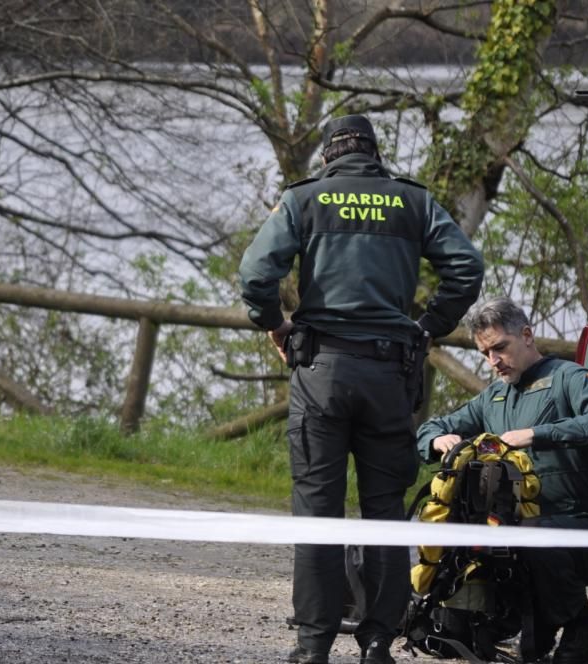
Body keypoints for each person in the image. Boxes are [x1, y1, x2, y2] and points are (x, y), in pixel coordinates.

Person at [239, 114, 484, 664]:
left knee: (318, 512)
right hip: (389, 375)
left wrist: (275, 324)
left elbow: (254, 274)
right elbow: (467, 267)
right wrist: (428, 325)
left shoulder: (305, 200)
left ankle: (312, 648)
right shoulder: (413, 202)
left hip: (320, 372)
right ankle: (377, 641)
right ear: (374, 154)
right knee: (384, 514)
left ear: (328, 155)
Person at [417, 297, 588, 664]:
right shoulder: (493, 397)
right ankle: (493, 625)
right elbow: (430, 428)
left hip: (586, 533)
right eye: (485, 353)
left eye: (500, 347)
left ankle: (581, 627)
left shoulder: (569, 378)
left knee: (529, 538)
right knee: (462, 540)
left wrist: (535, 434)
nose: (493, 360)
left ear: (527, 335)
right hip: (517, 534)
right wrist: (438, 440)